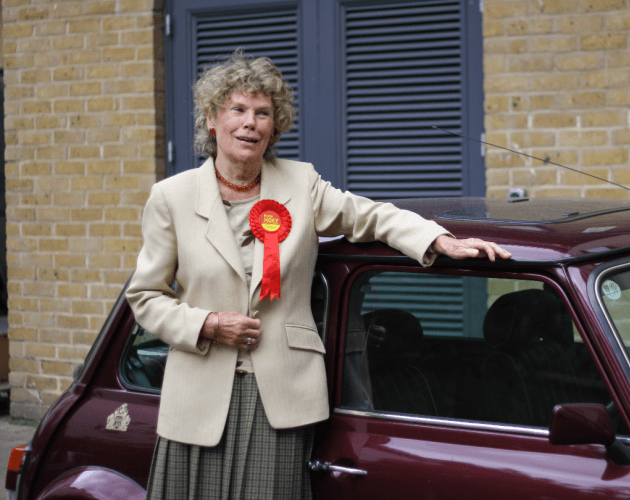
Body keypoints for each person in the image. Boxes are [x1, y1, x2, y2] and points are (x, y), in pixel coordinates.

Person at [126, 51, 511, 500]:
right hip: (198, 394)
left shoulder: (300, 183)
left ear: (274, 128)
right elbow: (146, 296)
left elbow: (367, 215)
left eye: (263, 113)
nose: (250, 122)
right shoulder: (171, 197)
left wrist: (438, 241)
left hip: (281, 392)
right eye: (238, 110)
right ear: (212, 119)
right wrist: (208, 324)